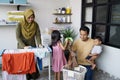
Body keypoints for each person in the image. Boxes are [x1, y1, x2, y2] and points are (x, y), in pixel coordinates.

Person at [16, 9, 41, 80]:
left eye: (32, 17)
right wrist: (24, 46)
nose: (31, 19)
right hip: (22, 45)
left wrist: (39, 44)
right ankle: (26, 77)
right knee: (24, 62)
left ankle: (33, 76)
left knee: (32, 61)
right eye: (29, 17)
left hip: (32, 44)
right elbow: (18, 37)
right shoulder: (19, 24)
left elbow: (38, 35)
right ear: (25, 17)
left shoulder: (35, 25)